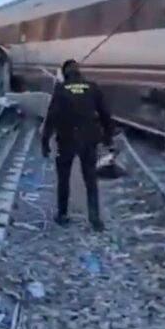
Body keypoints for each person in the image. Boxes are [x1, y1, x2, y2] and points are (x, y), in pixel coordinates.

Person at [41, 59, 115, 231]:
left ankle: (63, 214)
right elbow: (106, 114)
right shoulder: (92, 87)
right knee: (90, 179)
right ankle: (95, 219)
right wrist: (108, 136)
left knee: (63, 178)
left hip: (66, 139)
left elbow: (51, 117)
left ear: (65, 73)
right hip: (89, 139)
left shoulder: (61, 89)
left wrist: (45, 141)